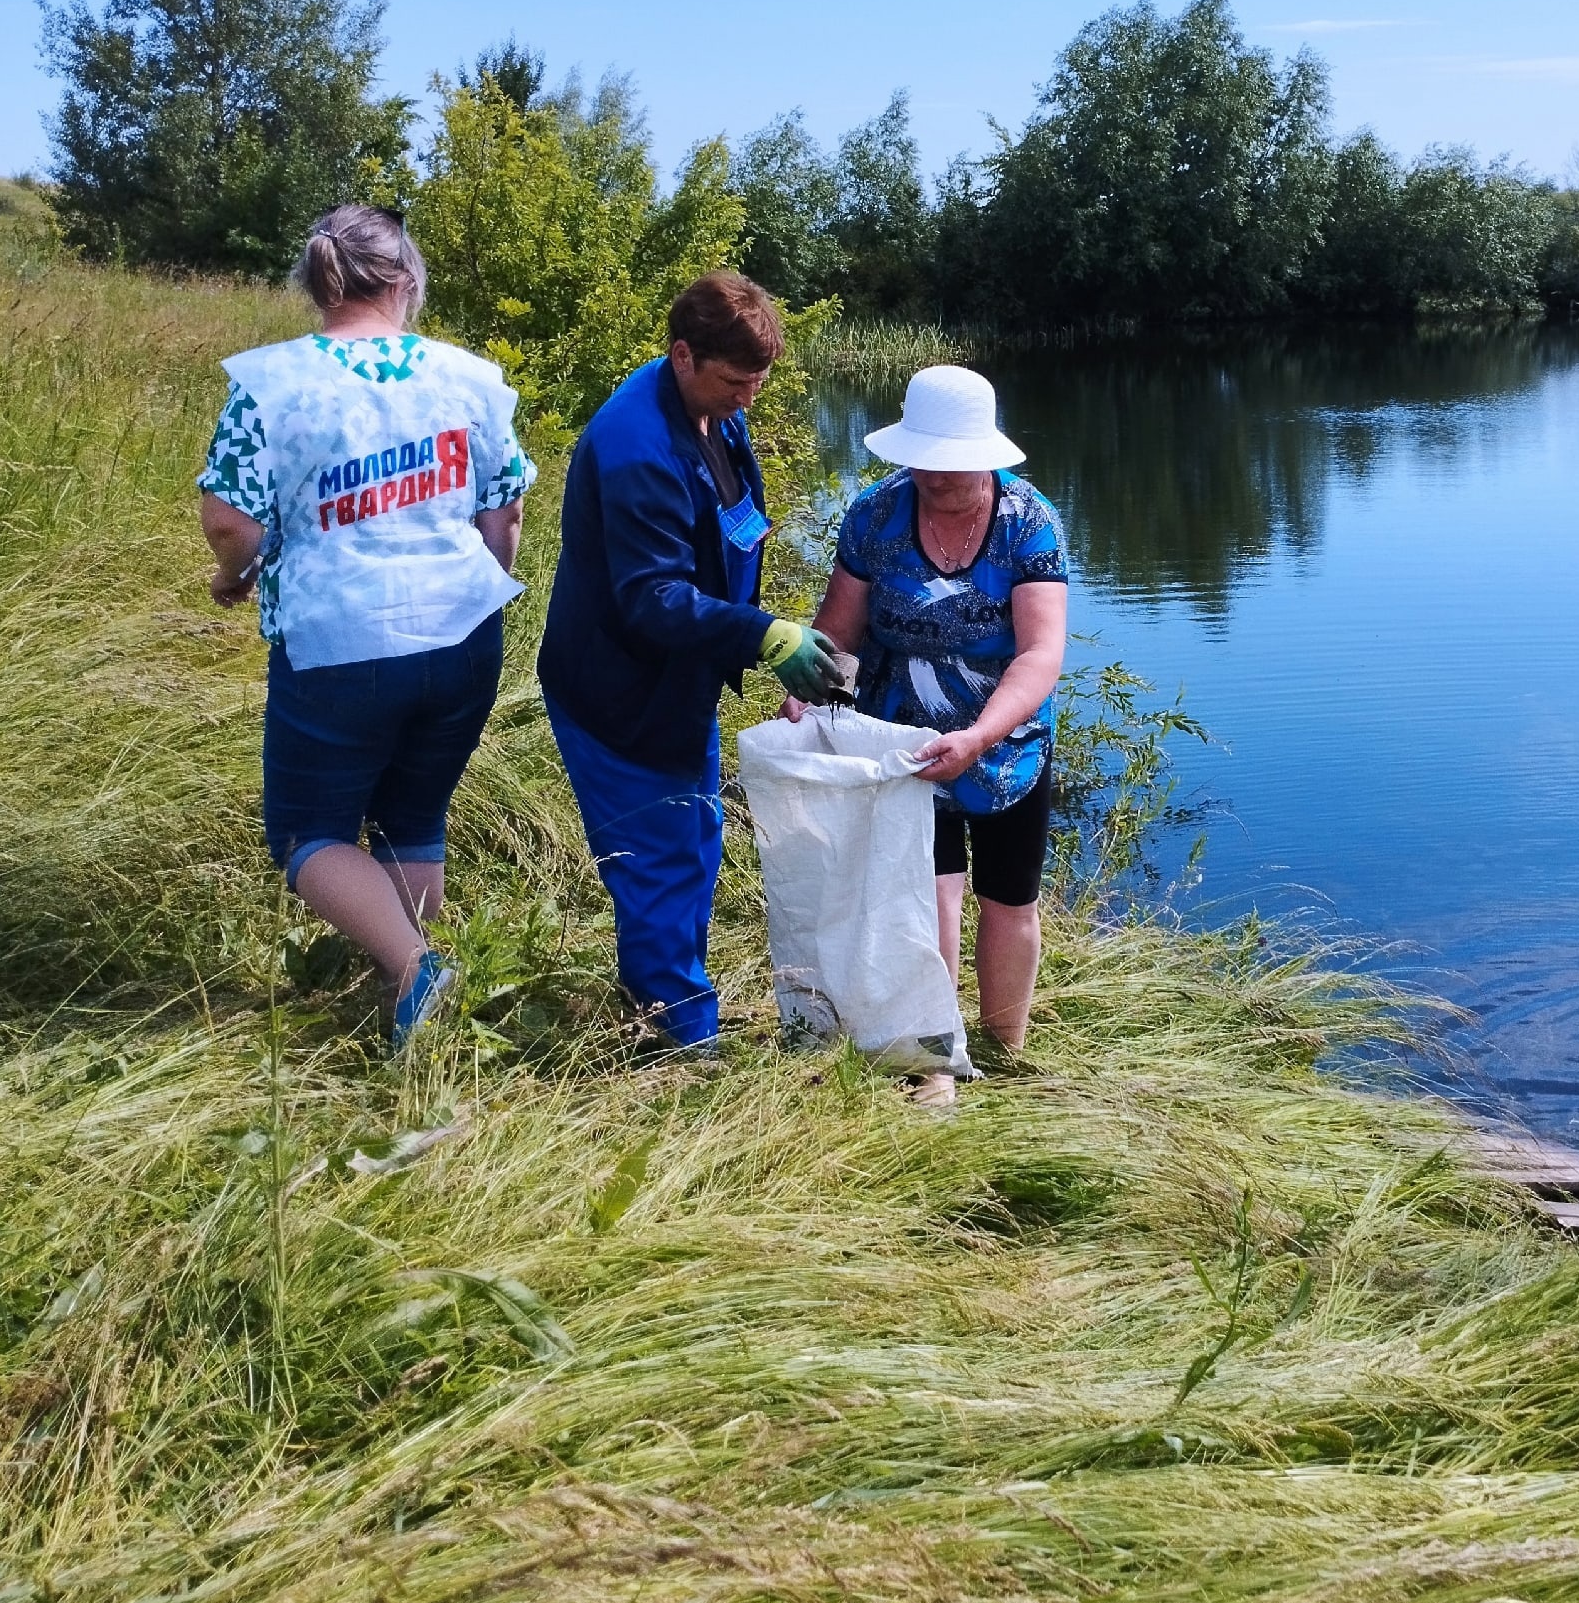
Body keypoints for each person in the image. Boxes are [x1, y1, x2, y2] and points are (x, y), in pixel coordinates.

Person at [198, 204, 534, 1045]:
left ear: (317, 283)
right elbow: (508, 508)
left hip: (337, 637)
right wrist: (483, 578)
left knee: (307, 832)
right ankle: (413, 985)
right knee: (413, 814)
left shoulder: (273, 385)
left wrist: (235, 574)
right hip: (463, 633)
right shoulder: (471, 378)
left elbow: (231, 518)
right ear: (406, 278)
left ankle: (415, 970)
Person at [536, 273, 846, 1050]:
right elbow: (652, 598)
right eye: (736, 382)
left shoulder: (710, 410)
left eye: (759, 383)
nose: (749, 399)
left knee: (695, 848)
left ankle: (661, 1008)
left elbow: (731, 523)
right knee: (659, 867)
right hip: (620, 694)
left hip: (680, 684)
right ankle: (683, 1054)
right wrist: (766, 635)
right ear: (682, 355)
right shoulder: (637, 446)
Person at [791, 365, 1069, 1067]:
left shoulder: (1029, 524)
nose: (933, 476)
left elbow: (1039, 654)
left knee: (1010, 903)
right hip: (905, 746)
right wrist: (809, 688)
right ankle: (937, 1059)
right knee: (929, 903)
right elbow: (839, 631)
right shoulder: (875, 515)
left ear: (985, 454)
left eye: (949, 463)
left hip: (1005, 746)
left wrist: (979, 735)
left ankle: (1005, 1052)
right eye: (922, 460)